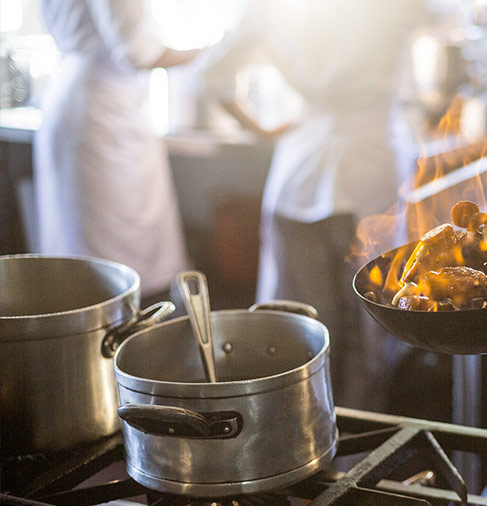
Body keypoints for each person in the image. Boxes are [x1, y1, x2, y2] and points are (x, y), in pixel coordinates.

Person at [201, 0, 425, 410]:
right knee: (369, 325)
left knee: (299, 329)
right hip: (370, 165)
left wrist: (263, 129)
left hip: (299, 171)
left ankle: (297, 441)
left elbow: (211, 75)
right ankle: (356, 443)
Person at [34, 0, 198, 300]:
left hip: (74, 99)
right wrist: (213, 51)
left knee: (82, 250)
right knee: (117, 261)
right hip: (103, 111)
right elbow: (140, 50)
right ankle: (129, 336)